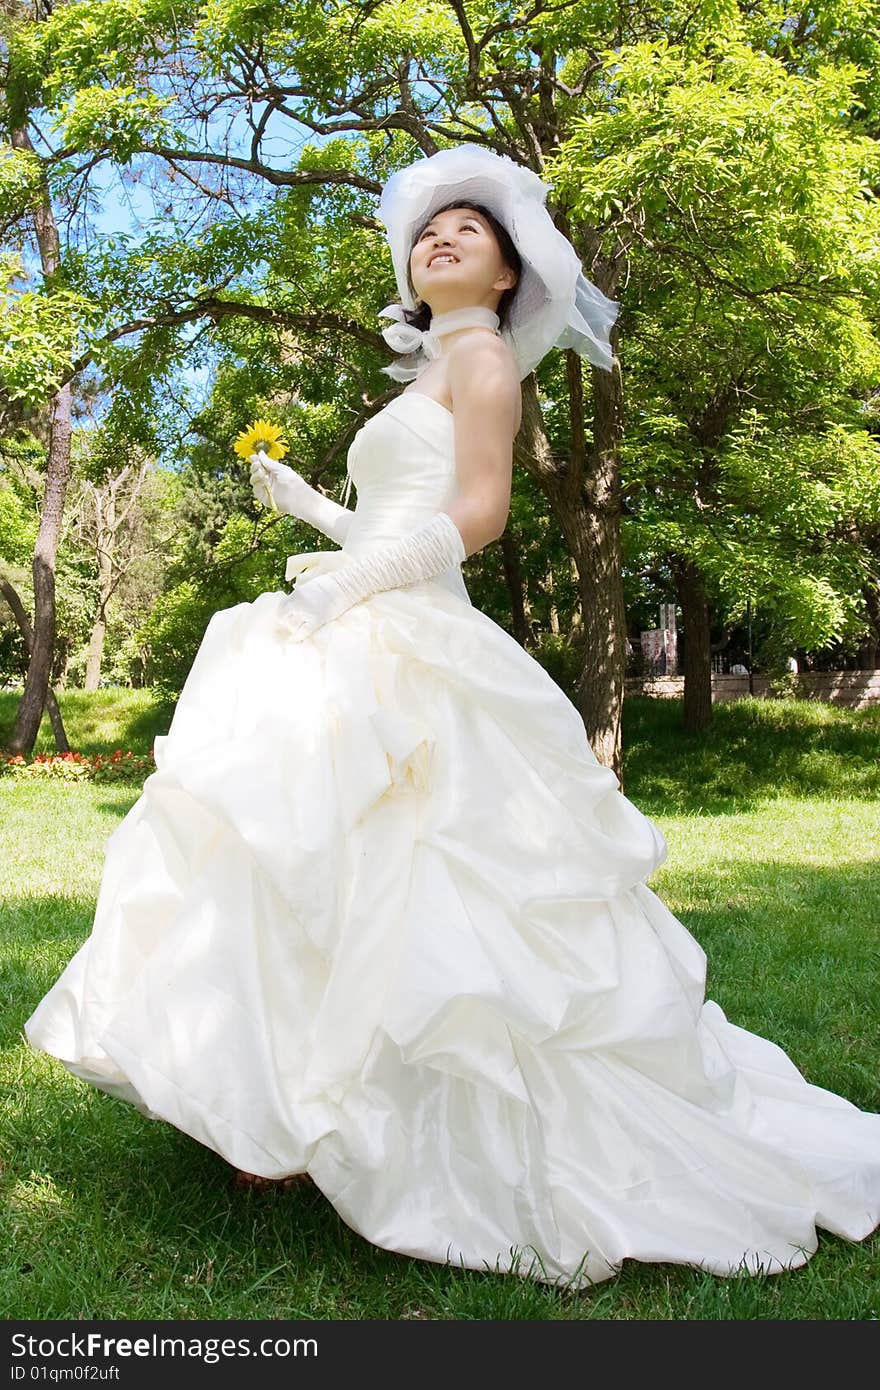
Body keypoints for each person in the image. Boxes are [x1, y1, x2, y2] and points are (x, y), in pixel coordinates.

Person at [25, 144, 880, 1291]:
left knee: (412, 875)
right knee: (300, 852)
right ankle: (278, 1108)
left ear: (508, 275)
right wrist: (314, 509)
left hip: (411, 633)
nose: (440, 239)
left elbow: (474, 515)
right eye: (429, 231)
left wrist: (349, 585)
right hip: (371, 611)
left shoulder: (483, 365)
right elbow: (397, 516)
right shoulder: (429, 369)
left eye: (468, 232)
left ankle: (373, 1118)